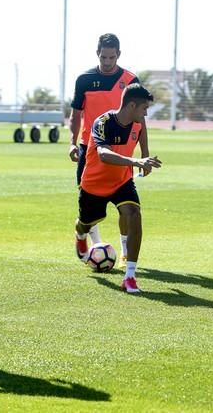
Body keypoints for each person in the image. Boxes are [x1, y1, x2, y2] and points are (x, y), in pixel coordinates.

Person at [68, 33, 148, 264]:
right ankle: (89, 240)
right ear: (97, 54)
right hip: (91, 149)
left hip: (122, 151)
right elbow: (76, 114)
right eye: (104, 57)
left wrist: (143, 152)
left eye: (112, 57)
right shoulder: (84, 79)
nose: (107, 62)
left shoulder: (131, 79)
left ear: (119, 55)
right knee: (90, 210)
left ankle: (123, 251)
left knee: (128, 207)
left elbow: (140, 117)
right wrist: (72, 142)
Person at [75, 84, 161, 293]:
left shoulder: (137, 123)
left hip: (122, 181)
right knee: (86, 223)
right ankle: (80, 236)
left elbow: (141, 134)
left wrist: (145, 155)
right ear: (132, 105)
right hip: (94, 184)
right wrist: (137, 161)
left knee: (134, 213)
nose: (146, 113)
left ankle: (130, 276)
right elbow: (103, 155)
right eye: (144, 109)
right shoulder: (103, 123)